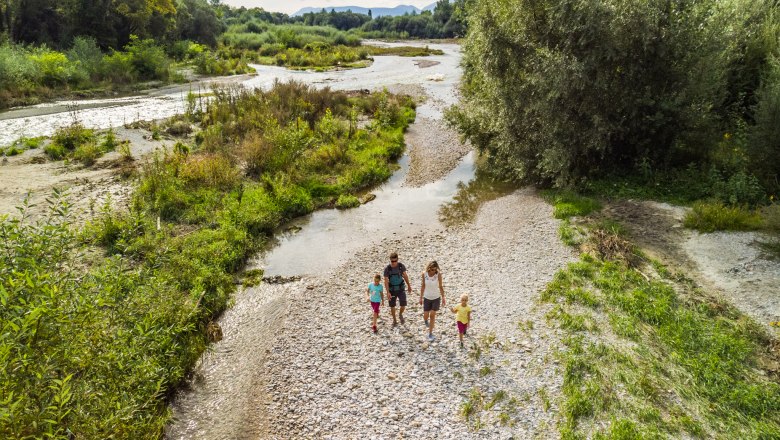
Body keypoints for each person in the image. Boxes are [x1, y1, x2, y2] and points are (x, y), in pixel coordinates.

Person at [419, 260, 445, 341]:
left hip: (436, 298)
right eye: (431, 269)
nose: (433, 271)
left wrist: (443, 297)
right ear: (428, 268)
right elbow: (423, 286)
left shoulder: (438, 275)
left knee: (432, 315)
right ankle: (425, 320)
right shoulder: (424, 274)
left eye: (434, 269)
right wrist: (420, 297)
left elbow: (440, 286)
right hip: (427, 297)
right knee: (426, 315)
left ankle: (430, 333)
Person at [384, 252, 412, 326]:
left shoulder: (401, 266)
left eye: (395, 261)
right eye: (392, 261)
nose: (393, 263)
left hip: (401, 289)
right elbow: (386, 281)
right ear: (390, 260)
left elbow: (405, 276)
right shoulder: (387, 269)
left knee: (403, 304)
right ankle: (394, 320)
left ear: (397, 260)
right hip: (392, 290)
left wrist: (409, 285)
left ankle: (400, 314)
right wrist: (387, 292)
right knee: (392, 306)